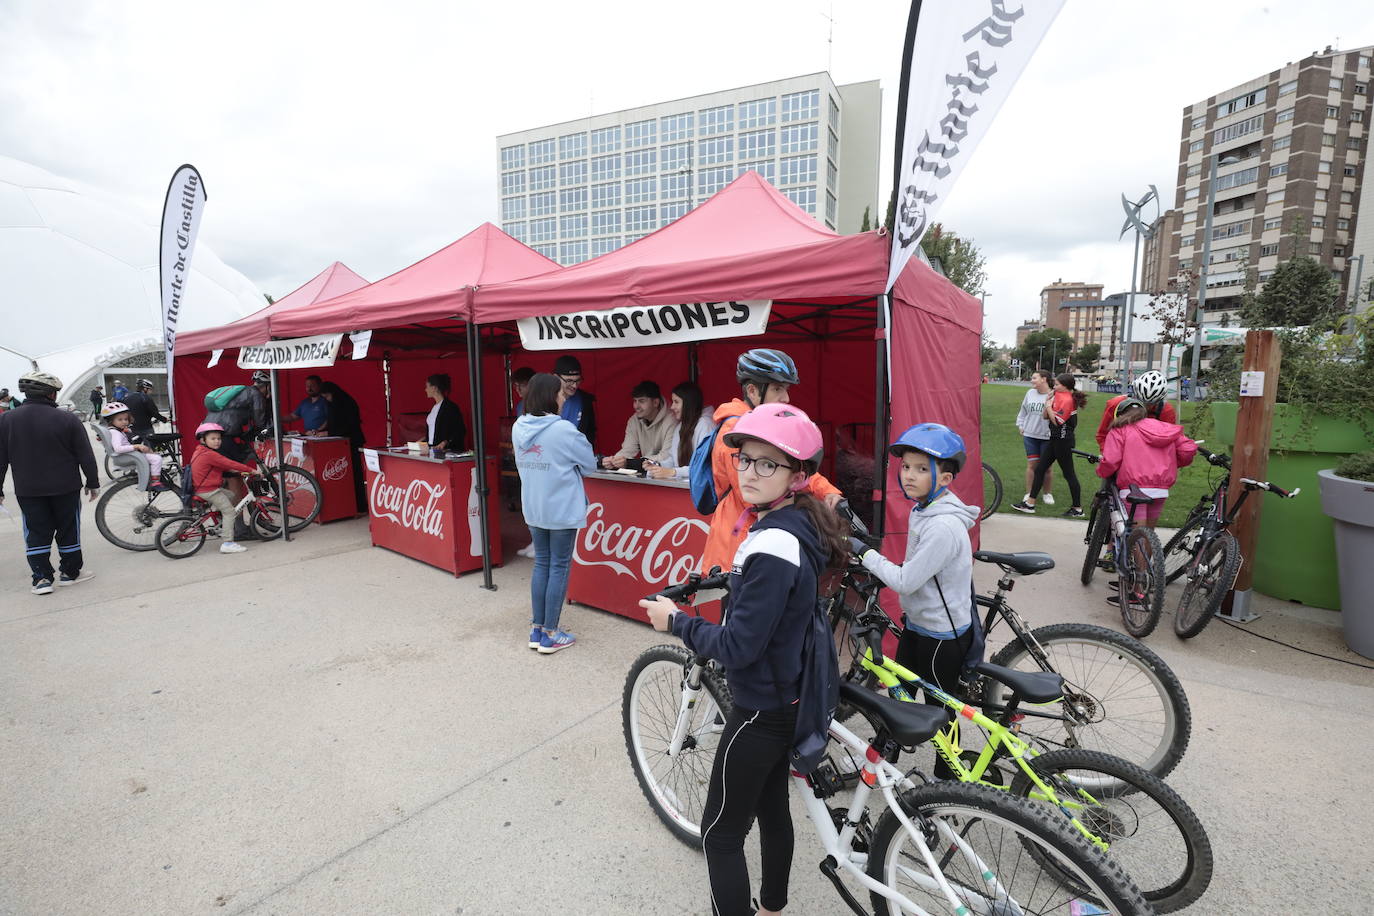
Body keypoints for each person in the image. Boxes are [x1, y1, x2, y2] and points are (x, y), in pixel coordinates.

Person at [640, 403, 848, 916]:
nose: (750, 473)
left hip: (759, 710)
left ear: (798, 474)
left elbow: (737, 647)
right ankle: (773, 907)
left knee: (720, 835)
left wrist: (676, 622)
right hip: (788, 698)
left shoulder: (774, 543)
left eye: (768, 464)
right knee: (773, 811)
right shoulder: (797, 522)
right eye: (746, 460)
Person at [848, 423, 978, 777]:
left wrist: (864, 554)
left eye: (922, 469)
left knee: (940, 710)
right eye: (906, 466)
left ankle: (947, 780)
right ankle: (881, 758)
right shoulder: (925, 508)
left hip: (940, 637)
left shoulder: (942, 526)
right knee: (899, 694)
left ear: (946, 478)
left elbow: (905, 581)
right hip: (920, 625)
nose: (909, 475)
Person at [700, 348, 842, 575]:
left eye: (786, 389)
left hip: (759, 539)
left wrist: (827, 492)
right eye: (777, 389)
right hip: (736, 546)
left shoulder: (763, 424)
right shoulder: (736, 428)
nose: (786, 398)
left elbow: (797, 463)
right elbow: (755, 495)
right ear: (753, 391)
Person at [513, 373, 597, 654]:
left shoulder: (518, 427)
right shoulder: (563, 430)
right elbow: (589, 464)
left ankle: (537, 629)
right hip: (561, 508)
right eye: (561, 394)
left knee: (542, 565)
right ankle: (550, 633)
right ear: (551, 397)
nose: (564, 399)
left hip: (534, 507)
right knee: (558, 567)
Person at [0, 370, 100, 594]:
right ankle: (70, 573)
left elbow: (1, 458)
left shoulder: (6, 420)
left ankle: (41, 579)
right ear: (51, 394)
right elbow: (85, 455)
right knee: (68, 528)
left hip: (28, 489)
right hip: (66, 487)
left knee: (35, 531)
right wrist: (92, 482)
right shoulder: (67, 418)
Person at [1097, 397, 1198, 532]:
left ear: (1120, 414)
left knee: (1135, 535)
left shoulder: (1119, 430)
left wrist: (1102, 472)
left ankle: (1132, 553)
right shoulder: (1163, 428)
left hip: (1132, 488)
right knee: (1149, 534)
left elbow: (1110, 460)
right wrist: (1173, 462)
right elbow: (1187, 449)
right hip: (1160, 489)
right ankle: (1149, 553)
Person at [1012, 373, 1085, 517]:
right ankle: (1030, 504)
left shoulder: (1067, 400)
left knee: (1069, 474)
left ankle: (1077, 509)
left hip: (1063, 441)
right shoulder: (1058, 396)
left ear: (1065, 386)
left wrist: (1048, 405)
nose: (1054, 387)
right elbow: (1045, 416)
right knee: (1040, 470)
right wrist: (1048, 401)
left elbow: (1057, 421)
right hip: (1054, 439)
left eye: (1057, 384)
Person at [189, 422, 260, 554]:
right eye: (213, 439)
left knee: (231, 496)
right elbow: (228, 463)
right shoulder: (210, 454)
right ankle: (228, 543)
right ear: (203, 440)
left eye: (219, 438)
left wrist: (234, 470)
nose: (217, 441)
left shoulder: (201, 451)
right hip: (209, 490)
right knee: (230, 512)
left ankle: (221, 523)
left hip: (203, 487)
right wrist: (251, 470)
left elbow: (221, 465)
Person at [646, 381, 714, 479]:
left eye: (676, 402)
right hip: (682, 488)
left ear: (689, 403)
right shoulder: (680, 427)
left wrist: (673, 472)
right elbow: (673, 460)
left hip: (700, 490)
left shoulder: (705, 425)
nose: (672, 407)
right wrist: (657, 466)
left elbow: (703, 466)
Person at [601, 379, 675, 469]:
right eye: (635, 401)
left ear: (656, 402)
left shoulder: (672, 419)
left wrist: (631, 463)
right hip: (648, 471)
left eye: (641, 401)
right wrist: (614, 461)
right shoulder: (634, 420)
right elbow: (628, 450)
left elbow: (666, 457)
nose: (636, 406)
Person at [1095, 369, 1177, 449]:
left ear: (1159, 400)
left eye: (1151, 404)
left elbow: (1169, 442)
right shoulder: (1115, 404)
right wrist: (1109, 456)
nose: (1146, 407)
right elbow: (1102, 435)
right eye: (1141, 401)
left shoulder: (1166, 411)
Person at [319, 381, 367, 513]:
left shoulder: (346, 402)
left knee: (355, 474)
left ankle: (359, 505)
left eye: (327, 396)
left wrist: (329, 433)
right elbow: (333, 421)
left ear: (332, 393)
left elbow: (349, 424)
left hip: (351, 441)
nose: (327, 400)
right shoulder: (334, 403)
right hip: (341, 442)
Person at [204, 370, 272, 463]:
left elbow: (237, 413)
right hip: (223, 432)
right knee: (237, 462)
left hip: (210, 431)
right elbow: (259, 419)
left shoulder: (244, 392)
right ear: (266, 386)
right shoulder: (256, 394)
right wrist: (267, 429)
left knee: (226, 466)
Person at [101, 401, 166, 491]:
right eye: (120, 420)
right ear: (111, 421)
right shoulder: (115, 432)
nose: (124, 422)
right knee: (157, 458)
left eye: (126, 419)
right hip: (126, 456)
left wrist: (126, 432)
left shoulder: (116, 431)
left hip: (127, 455)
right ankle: (155, 482)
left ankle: (149, 478)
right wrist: (136, 446)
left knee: (151, 454)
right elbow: (118, 448)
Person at [1014, 371, 1055, 506]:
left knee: (1047, 467)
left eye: (1034, 378)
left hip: (1048, 437)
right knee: (1032, 465)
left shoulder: (1054, 394)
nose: (1032, 381)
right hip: (1030, 436)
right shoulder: (1030, 393)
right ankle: (1029, 493)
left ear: (1044, 379)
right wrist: (1020, 425)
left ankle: (1047, 493)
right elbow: (1023, 411)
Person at [553, 355, 596, 445]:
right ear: (556, 377)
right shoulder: (544, 400)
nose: (574, 386)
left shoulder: (586, 400)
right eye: (569, 381)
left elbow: (590, 432)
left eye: (578, 380)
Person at [423, 373, 467, 453]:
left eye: (427, 387)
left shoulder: (451, 407)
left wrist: (445, 442)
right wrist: (419, 442)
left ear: (434, 388)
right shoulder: (434, 408)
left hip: (446, 451)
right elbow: (432, 432)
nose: (425, 389)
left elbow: (460, 430)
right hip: (432, 450)